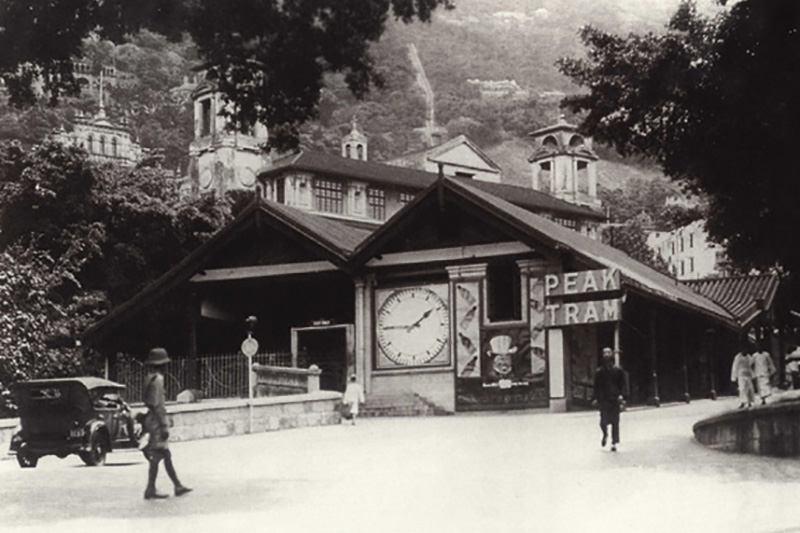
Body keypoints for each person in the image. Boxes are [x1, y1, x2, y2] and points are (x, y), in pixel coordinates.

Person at [142, 347, 192, 500]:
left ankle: (175, 485)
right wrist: (164, 425)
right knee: (159, 455)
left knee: (164, 454)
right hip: (157, 421)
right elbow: (158, 405)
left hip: (151, 419)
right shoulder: (158, 380)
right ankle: (153, 488)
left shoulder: (148, 378)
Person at [592, 347, 626, 452]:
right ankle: (605, 434)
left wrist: (622, 395)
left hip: (614, 398)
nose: (606, 354)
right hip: (603, 399)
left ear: (612, 354)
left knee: (615, 421)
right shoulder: (599, 371)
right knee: (603, 421)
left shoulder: (618, 370)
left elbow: (622, 384)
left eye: (608, 352)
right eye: (604, 353)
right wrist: (595, 398)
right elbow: (596, 386)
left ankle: (614, 442)